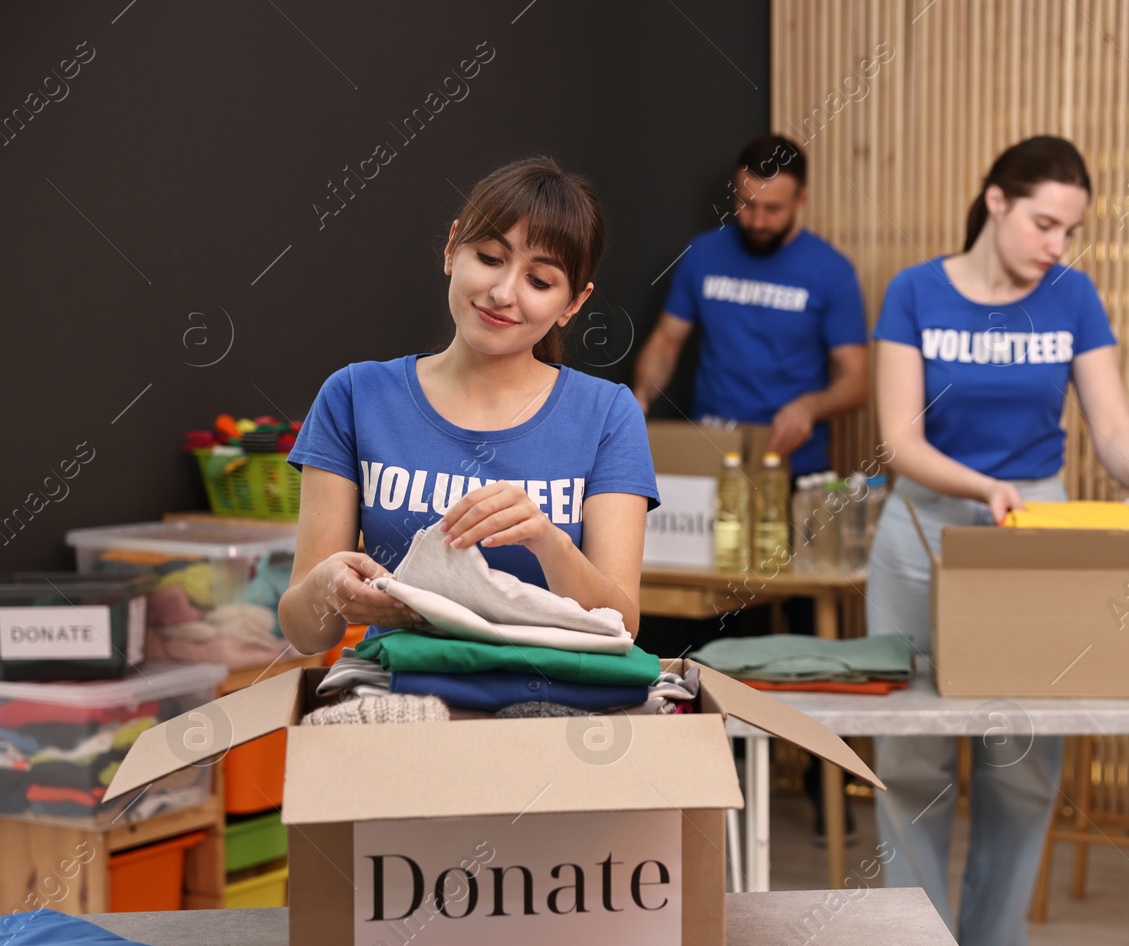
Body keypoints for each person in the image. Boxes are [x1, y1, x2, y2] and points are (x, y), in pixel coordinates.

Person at [866, 136, 1129, 946]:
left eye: (1071, 230)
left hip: (1035, 536)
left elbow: (1111, 422)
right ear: (996, 200)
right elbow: (898, 439)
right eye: (1045, 223)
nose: (1057, 244)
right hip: (926, 528)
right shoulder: (915, 291)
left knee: (1020, 764)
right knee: (914, 765)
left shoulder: (1072, 297)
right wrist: (977, 486)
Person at [279, 157, 660, 656]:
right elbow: (306, 633)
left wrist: (548, 540)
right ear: (452, 247)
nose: (503, 293)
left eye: (539, 282)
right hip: (404, 702)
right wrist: (327, 586)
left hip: (554, 709)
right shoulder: (355, 395)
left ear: (573, 304)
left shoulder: (608, 414)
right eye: (488, 257)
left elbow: (622, 624)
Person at [631, 134, 869, 477]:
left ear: (801, 199)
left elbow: (856, 381)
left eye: (772, 209)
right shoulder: (703, 254)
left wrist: (810, 407)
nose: (757, 222)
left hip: (792, 461)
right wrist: (641, 394)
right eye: (747, 204)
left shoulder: (832, 271)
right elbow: (667, 342)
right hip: (711, 451)